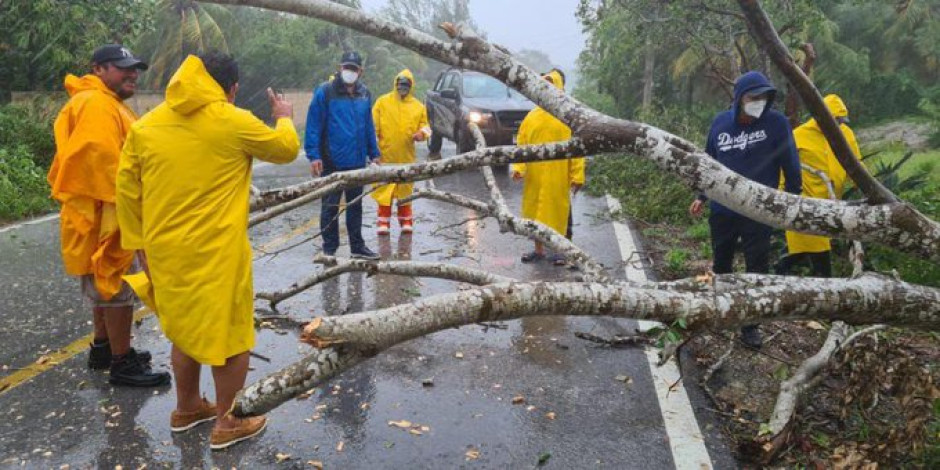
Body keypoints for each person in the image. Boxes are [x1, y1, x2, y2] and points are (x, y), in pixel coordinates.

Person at [116, 53, 299, 450]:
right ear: (230, 89)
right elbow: (285, 149)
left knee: (185, 329)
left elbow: (127, 191)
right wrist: (283, 115)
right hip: (217, 252)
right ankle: (229, 422)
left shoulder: (146, 126)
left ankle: (186, 409)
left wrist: (138, 244)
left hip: (163, 250)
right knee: (230, 335)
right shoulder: (231, 120)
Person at [47, 44, 169, 387]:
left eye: (133, 68)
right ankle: (121, 362)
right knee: (116, 286)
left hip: (92, 213)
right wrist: (138, 211)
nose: (132, 74)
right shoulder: (97, 104)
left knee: (104, 286)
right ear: (99, 69)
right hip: (107, 213)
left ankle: (103, 349)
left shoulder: (97, 101)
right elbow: (107, 167)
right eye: (122, 68)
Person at [688, 71, 802, 348]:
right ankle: (724, 313)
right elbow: (709, 163)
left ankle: (750, 326)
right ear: (739, 98)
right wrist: (702, 196)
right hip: (723, 209)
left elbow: (790, 160)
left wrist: (793, 199)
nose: (758, 103)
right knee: (722, 262)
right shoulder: (720, 123)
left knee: (756, 268)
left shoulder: (776, 123)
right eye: (753, 97)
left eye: (763, 97)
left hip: (758, 212)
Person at [305, 51, 381, 259]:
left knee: (355, 207)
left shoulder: (364, 94)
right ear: (340, 68)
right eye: (346, 67)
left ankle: (357, 246)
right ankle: (329, 248)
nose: (350, 72)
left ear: (360, 71)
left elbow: (368, 126)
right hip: (331, 162)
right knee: (329, 206)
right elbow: (313, 125)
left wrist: (374, 153)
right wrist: (314, 156)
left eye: (354, 69)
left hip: (357, 162)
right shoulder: (325, 92)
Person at [776, 94, 861, 278]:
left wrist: (866, 189)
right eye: (836, 120)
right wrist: (783, 194)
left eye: (841, 121)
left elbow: (856, 165)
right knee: (819, 250)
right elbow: (784, 166)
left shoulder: (846, 133)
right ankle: (824, 287)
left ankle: (780, 270)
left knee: (804, 250)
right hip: (805, 203)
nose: (839, 124)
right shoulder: (800, 135)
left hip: (831, 203)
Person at [511, 69, 585, 266]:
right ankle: (539, 250)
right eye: (544, 85)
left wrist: (577, 175)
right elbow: (522, 144)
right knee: (535, 215)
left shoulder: (567, 117)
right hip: (535, 176)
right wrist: (519, 168)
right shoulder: (531, 117)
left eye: (552, 84)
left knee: (558, 214)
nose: (547, 89)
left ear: (559, 88)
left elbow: (577, 149)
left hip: (558, 176)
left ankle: (562, 251)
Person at [371, 69, 431, 235]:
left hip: (406, 156)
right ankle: (383, 223)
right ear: (395, 85)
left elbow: (426, 126)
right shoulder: (382, 102)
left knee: (405, 190)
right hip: (385, 155)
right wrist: (372, 148)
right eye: (400, 86)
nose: (402, 89)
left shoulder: (419, 107)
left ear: (411, 87)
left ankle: (406, 222)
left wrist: (421, 134)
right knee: (385, 191)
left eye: (405, 86)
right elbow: (372, 127)